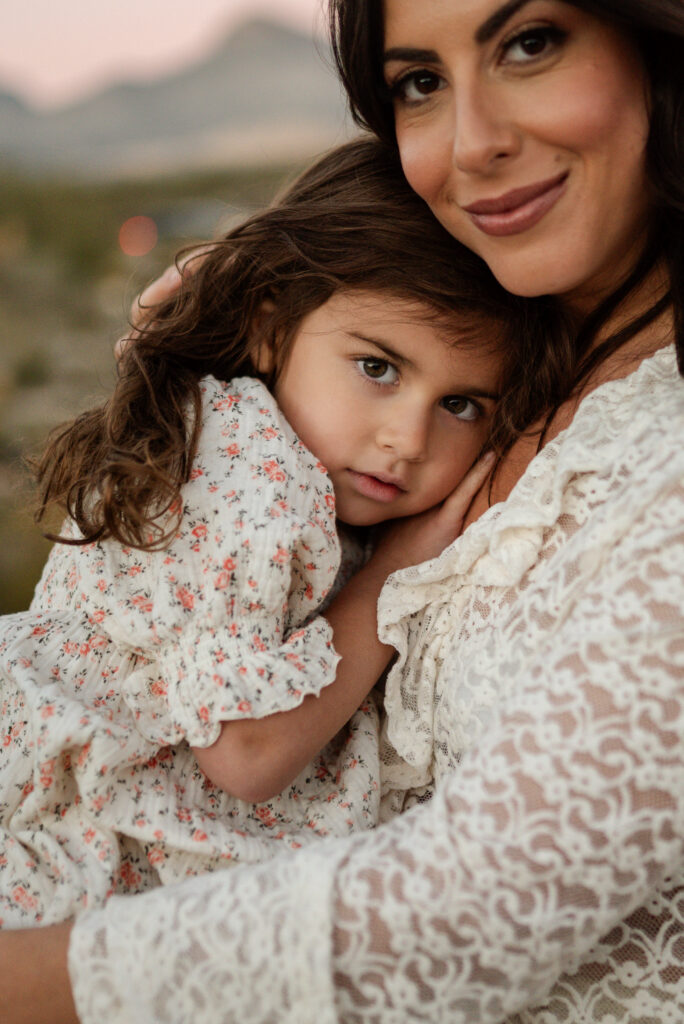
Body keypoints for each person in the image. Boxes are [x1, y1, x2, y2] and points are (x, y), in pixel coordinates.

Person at [2, 0, 683, 1021]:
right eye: (418, 82)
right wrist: (230, 302)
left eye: (531, 42)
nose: (473, 141)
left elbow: (464, 917)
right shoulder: (515, 331)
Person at [0, 136, 535, 929]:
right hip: (81, 865)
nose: (408, 439)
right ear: (269, 328)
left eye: (461, 405)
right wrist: (396, 573)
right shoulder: (251, 468)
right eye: (379, 368)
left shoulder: (271, 434)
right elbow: (246, 756)